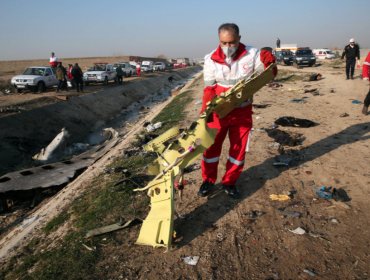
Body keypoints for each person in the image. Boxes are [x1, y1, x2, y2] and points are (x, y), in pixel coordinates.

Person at [199, 23, 277, 199]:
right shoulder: (210, 59)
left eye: (232, 42)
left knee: (238, 150)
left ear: (239, 39)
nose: (228, 47)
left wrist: (269, 60)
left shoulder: (252, 54)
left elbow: (268, 72)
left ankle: (229, 182)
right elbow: (209, 89)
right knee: (210, 148)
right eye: (223, 43)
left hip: (241, 112)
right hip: (219, 112)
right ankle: (208, 180)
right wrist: (205, 112)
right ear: (219, 40)